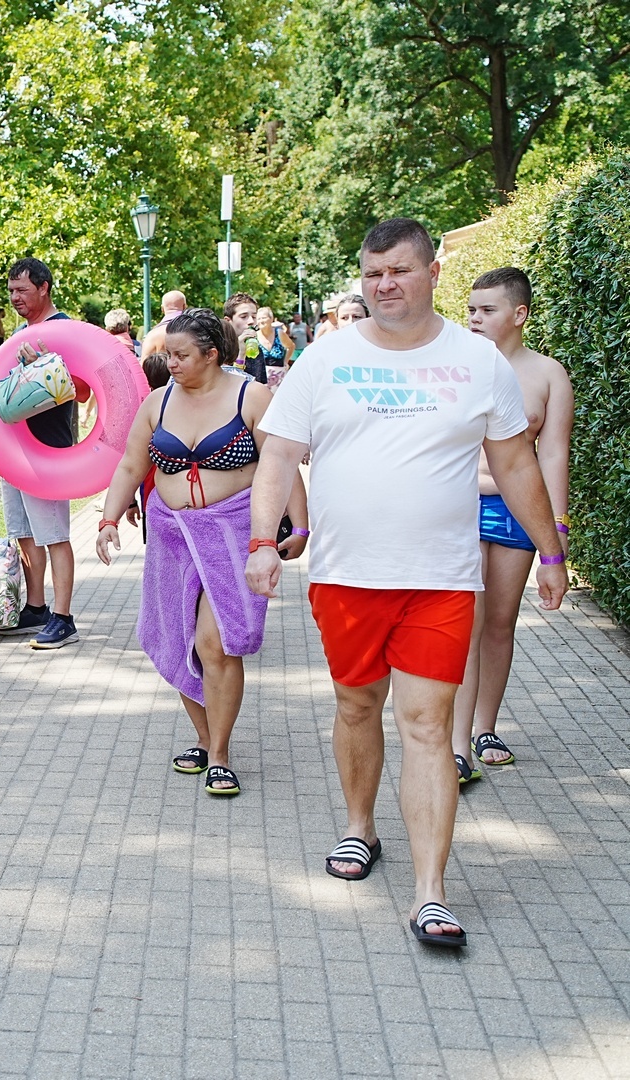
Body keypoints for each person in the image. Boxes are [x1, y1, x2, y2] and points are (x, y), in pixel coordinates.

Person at [246, 217, 567, 948]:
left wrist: (550, 551)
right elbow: (279, 456)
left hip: (441, 579)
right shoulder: (326, 358)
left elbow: (516, 463)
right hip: (346, 576)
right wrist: (263, 542)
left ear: (433, 273)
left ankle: (431, 893)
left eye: (399, 270)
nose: (384, 285)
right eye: (373, 273)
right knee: (357, 707)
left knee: (426, 725)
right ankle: (360, 827)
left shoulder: (477, 361)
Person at [97, 309, 307, 797]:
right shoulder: (157, 402)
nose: (170, 363)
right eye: (167, 354)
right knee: (178, 638)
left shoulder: (251, 397)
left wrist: (299, 524)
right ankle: (203, 736)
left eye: (181, 355)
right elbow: (130, 465)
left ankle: (220, 754)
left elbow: (281, 464)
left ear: (212, 354)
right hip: (171, 536)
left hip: (232, 534)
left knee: (215, 642)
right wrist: (108, 519)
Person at [453, 267, 573, 779]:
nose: (475, 319)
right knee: (467, 622)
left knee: (500, 623)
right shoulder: (456, 367)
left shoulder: (548, 374)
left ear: (519, 314)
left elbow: (554, 455)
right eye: (471, 310)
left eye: (488, 310)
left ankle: (485, 728)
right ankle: (456, 743)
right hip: (459, 504)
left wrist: (556, 535)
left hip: (517, 510)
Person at [0, 257, 79, 649]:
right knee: (24, 533)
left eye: (22, 290)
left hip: (49, 449)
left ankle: (63, 617)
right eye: (11, 290)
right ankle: (37, 607)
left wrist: (46, 366)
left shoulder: (64, 331)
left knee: (54, 535)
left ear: (44, 288)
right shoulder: (19, 334)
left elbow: (82, 389)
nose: (15, 297)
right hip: (15, 450)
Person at [252, 306, 295, 385]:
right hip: (260, 381)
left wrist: (286, 361)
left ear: (271, 319)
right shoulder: (254, 337)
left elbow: (291, 346)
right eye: (259, 319)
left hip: (279, 379)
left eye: (264, 318)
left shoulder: (279, 333)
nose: (261, 321)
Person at [139, 290, 189, 358]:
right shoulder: (194, 331)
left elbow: (144, 362)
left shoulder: (153, 335)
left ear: (162, 309)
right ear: (184, 306)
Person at [223, 293, 259, 370]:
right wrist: (241, 355)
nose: (251, 321)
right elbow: (231, 377)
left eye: (254, 317)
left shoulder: (255, 349)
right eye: (243, 317)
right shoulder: (220, 350)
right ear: (228, 321)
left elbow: (260, 377)